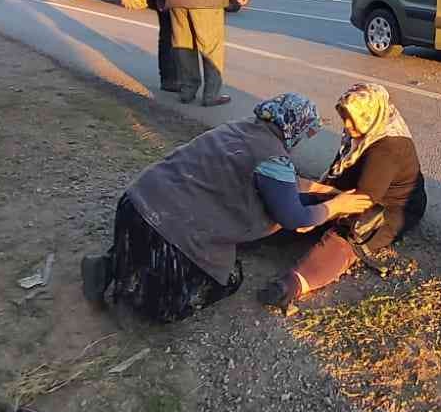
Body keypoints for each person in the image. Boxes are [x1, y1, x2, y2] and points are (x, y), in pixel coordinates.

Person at [80, 93, 373, 323]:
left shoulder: (240, 130)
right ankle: (137, 293)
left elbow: (285, 181)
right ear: (295, 127)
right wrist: (337, 205)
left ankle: (108, 266)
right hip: (168, 232)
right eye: (306, 132)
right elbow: (294, 216)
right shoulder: (272, 157)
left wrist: (324, 190)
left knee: (142, 249)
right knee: (220, 281)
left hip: (134, 206)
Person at [258, 83, 427, 314]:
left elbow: (363, 200)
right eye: (344, 117)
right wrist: (316, 204)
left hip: (389, 207)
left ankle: (294, 283)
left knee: (350, 232)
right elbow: (338, 176)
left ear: (370, 115)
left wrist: (321, 215)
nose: (346, 126)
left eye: (352, 119)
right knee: (299, 204)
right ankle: (252, 235)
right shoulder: (365, 130)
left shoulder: (388, 148)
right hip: (353, 190)